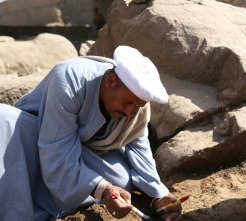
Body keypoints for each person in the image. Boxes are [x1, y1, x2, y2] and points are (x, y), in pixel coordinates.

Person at [0, 45, 182, 221]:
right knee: (4, 118)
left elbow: (139, 149)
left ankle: (74, 184)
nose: (129, 112)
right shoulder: (70, 77)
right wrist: (103, 189)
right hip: (33, 138)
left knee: (121, 177)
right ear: (110, 82)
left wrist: (158, 196)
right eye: (127, 102)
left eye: (137, 106)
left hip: (78, 153)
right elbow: (56, 149)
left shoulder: (137, 103)